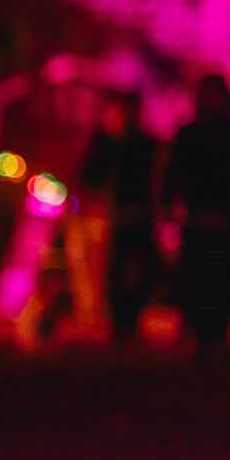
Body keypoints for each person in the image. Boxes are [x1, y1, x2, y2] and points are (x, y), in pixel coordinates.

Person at [164, 75, 230, 361]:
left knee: (224, 280)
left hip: (228, 220)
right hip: (198, 220)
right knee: (199, 279)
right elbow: (174, 171)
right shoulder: (192, 134)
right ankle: (204, 337)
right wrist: (169, 205)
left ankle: (218, 336)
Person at [79, 93, 161, 342]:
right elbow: (90, 176)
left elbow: (156, 176)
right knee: (115, 269)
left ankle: (132, 315)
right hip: (115, 215)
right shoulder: (106, 143)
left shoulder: (145, 144)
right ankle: (120, 319)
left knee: (143, 268)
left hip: (141, 214)